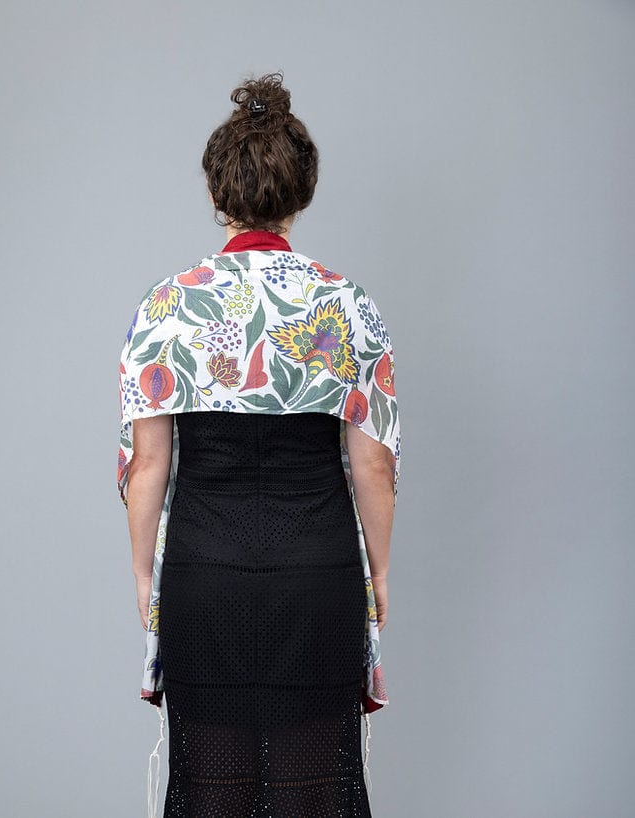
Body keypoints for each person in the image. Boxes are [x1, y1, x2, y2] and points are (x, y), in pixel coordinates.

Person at [118, 71, 400, 817]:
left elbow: (148, 465)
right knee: (316, 793)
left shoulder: (168, 304)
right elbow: (374, 462)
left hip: (203, 577)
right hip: (318, 575)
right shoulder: (346, 304)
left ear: (219, 191)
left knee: (211, 793)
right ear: (300, 194)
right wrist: (378, 575)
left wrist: (145, 575)